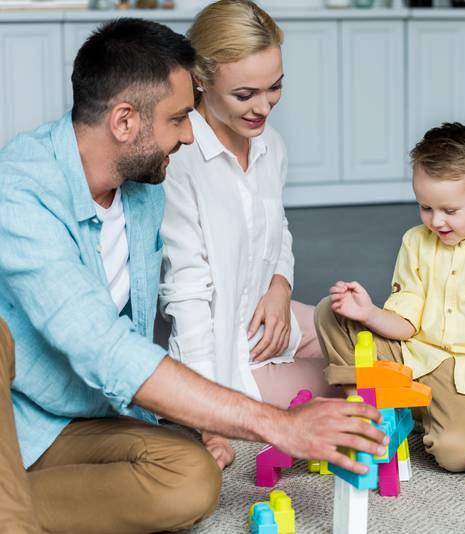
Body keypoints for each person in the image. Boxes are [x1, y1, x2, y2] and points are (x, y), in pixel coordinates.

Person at [0, 18, 386, 534]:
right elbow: (103, 344)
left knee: (193, 476)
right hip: (19, 417)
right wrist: (276, 423)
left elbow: (130, 348)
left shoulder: (142, 187)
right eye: (179, 118)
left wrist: (197, 414)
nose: (188, 134)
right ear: (123, 122)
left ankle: (15, 501)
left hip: (85, 413)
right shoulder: (20, 191)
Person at [159, 0, 338, 470]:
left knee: (362, 339)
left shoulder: (270, 146)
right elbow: (186, 293)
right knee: (350, 383)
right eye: (245, 94)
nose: (263, 107)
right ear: (200, 78)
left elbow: (277, 230)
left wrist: (280, 287)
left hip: (267, 317)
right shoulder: (179, 161)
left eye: (274, 87)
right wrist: (208, 417)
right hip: (226, 353)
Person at [314, 122, 465, 472]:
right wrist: (368, 313)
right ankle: (365, 409)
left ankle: (435, 415)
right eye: (425, 207)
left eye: (450, 211)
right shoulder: (415, 241)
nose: (436, 221)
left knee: (456, 455)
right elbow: (406, 324)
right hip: (411, 356)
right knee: (332, 311)